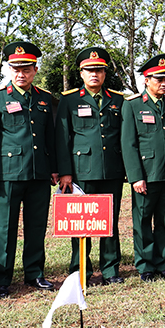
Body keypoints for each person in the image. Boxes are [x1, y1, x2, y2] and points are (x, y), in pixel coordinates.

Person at [0, 42, 58, 298]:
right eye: (16, 69)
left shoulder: (44, 98)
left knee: (36, 225)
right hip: (9, 172)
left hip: (39, 172)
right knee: (5, 228)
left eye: (26, 69)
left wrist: (54, 168)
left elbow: (50, 137)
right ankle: (1, 278)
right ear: (9, 70)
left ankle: (34, 273)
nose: (21, 74)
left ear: (35, 70)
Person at [55, 47, 126, 285]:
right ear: (81, 73)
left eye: (98, 70)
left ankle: (110, 269)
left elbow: (124, 136)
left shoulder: (118, 99)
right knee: (81, 221)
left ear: (105, 73)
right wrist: (65, 172)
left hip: (112, 169)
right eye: (89, 70)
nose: (94, 74)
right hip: (81, 170)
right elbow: (62, 138)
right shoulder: (70, 99)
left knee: (110, 222)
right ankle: (80, 269)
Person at [120, 54, 165, 282]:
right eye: (159, 79)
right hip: (146, 175)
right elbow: (128, 144)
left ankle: (162, 263)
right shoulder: (133, 105)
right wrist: (136, 176)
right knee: (143, 221)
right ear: (146, 80)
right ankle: (145, 265)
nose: (164, 83)